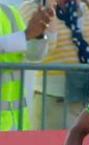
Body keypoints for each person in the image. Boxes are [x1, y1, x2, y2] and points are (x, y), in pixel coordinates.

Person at [20, 0, 89, 130]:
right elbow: (46, 47)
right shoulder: (31, 7)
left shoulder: (87, 5)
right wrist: (49, 6)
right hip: (55, 100)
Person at [0, 2, 53, 131]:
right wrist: (26, 35)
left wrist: (38, 34)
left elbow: (34, 56)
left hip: (16, 124)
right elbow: (23, 38)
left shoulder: (9, 12)